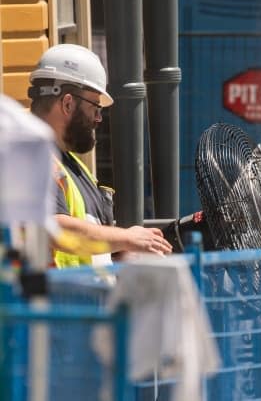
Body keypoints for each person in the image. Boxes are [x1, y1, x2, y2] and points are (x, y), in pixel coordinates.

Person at [28, 44, 172, 268]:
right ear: (67, 103)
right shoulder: (31, 158)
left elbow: (89, 247)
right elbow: (53, 228)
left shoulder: (72, 167)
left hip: (83, 300)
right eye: (95, 106)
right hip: (54, 301)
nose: (99, 118)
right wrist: (126, 238)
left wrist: (120, 253)